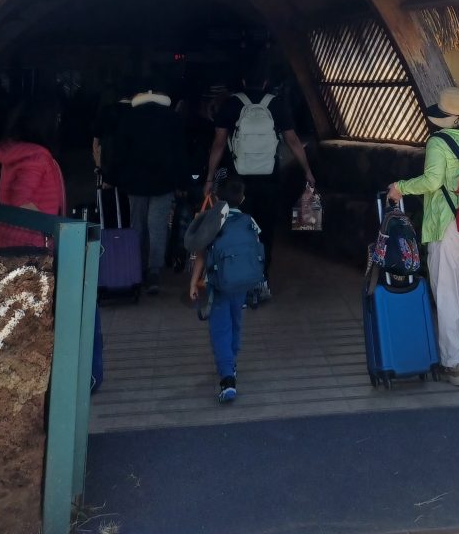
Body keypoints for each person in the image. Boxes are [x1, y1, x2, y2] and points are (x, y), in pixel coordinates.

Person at [386, 87, 459, 387]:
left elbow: (433, 180)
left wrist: (401, 187)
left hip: (448, 225)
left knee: (446, 292)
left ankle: (454, 364)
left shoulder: (438, 141)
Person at [203, 69, 315, 303]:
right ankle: (262, 279)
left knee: (236, 229)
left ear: (243, 81)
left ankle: (238, 280)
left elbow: (219, 144)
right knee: (265, 229)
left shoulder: (232, 104)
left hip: (238, 182)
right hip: (269, 178)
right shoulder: (277, 104)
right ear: (266, 82)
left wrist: (210, 178)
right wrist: (307, 170)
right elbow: (293, 140)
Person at [187, 176, 260, 404]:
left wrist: (193, 282)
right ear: (243, 198)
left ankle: (227, 378)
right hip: (241, 283)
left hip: (217, 285)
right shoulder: (250, 221)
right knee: (236, 322)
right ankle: (232, 362)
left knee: (220, 329)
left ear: (217, 198)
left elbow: (201, 253)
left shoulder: (213, 222)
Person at [113, 82, 188, 294]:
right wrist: (183, 182)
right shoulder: (172, 118)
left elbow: (119, 152)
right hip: (163, 181)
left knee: (136, 224)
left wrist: (114, 177)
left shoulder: (128, 118)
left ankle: (135, 268)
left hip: (134, 181)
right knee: (157, 225)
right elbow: (180, 153)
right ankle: (154, 271)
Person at [0, 96, 66, 250]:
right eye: (57, 117)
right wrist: (48, 228)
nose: (58, 122)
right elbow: (21, 199)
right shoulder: (36, 156)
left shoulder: (17, 152)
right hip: (31, 244)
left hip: (8, 237)